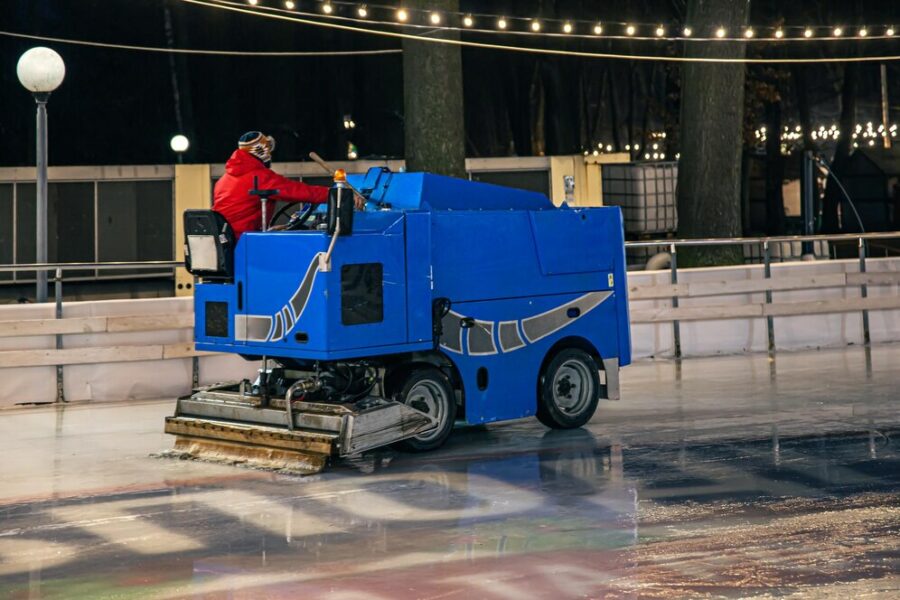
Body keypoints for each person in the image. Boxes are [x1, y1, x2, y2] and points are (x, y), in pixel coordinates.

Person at [213, 131, 362, 239]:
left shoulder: (223, 180)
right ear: (262, 151)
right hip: (243, 243)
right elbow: (299, 191)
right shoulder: (259, 177)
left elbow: (239, 217)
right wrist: (340, 195)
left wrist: (269, 230)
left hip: (226, 242)